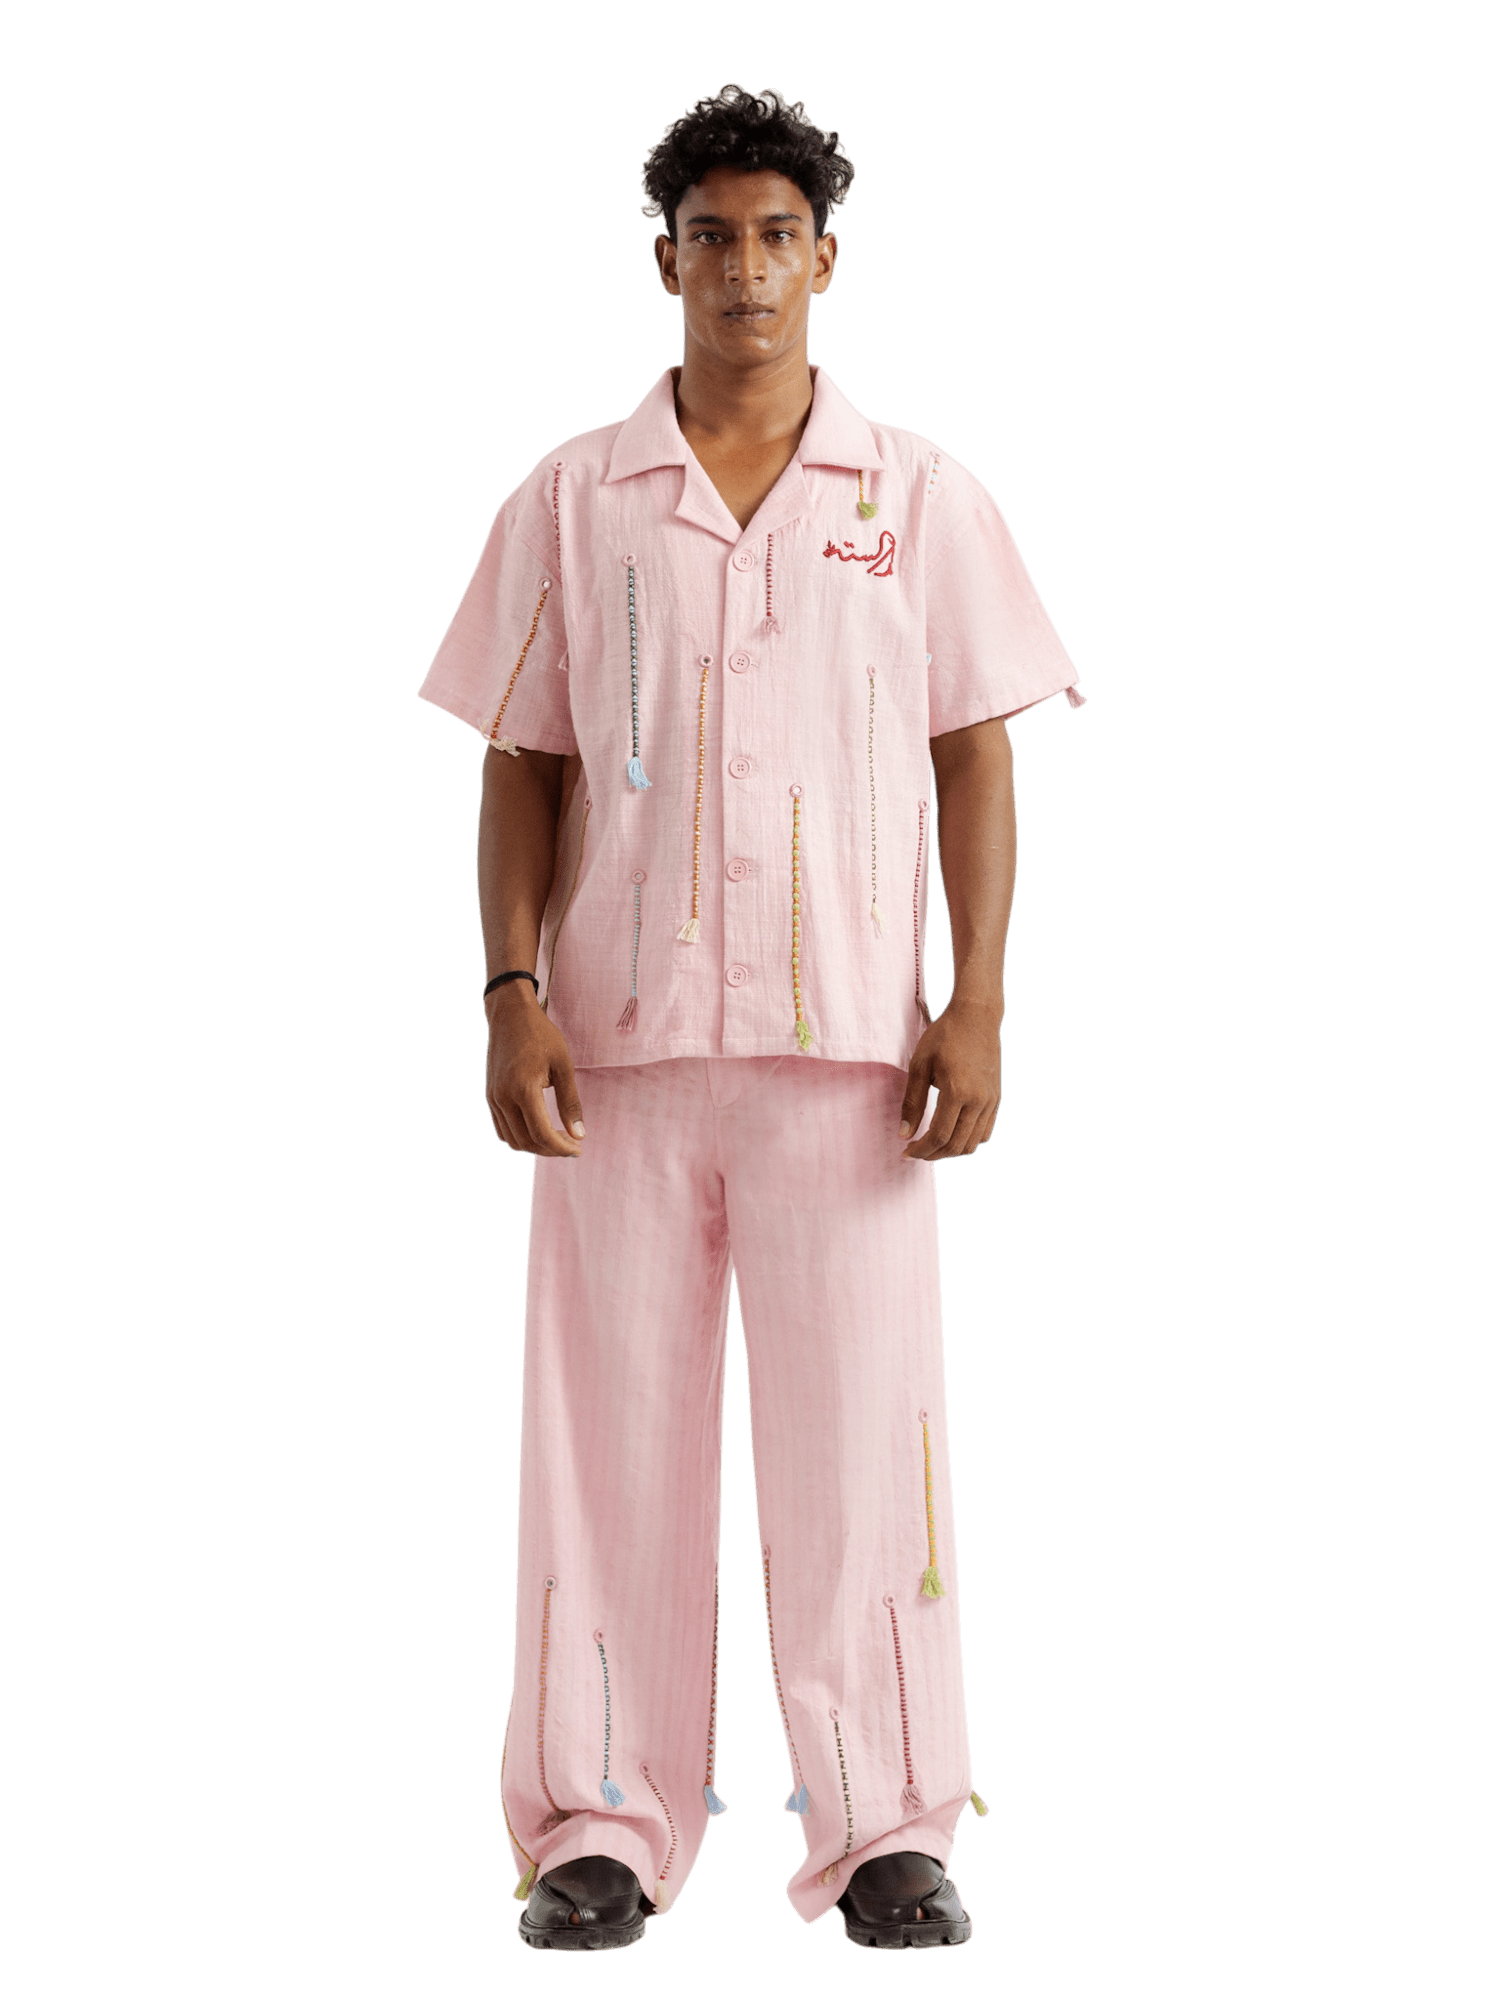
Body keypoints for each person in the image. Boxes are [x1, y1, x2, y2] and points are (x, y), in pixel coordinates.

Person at [417, 83, 1084, 1953]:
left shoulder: (917, 495)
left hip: (851, 1062)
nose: (744, 267)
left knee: (869, 1441)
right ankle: (598, 1827)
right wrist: (509, 992)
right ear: (666, 261)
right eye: (711, 236)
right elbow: (520, 757)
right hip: (614, 1058)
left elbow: (977, 753)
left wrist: (977, 999)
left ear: (826, 261)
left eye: (776, 235)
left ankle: (887, 1827)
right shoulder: (574, 496)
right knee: (602, 1444)